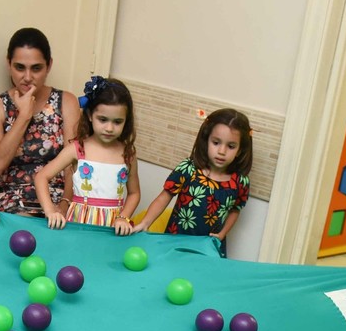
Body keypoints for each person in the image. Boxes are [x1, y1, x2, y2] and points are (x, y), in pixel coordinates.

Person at [0, 27, 82, 217]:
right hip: (13, 199)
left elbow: (74, 164)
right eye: (20, 67)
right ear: (9, 64)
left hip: (58, 196)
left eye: (36, 68)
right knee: (22, 230)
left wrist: (65, 204)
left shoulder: (66, 102)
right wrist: (24, 116)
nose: (27, 77)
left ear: (49, 65)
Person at [129, 108, 252, 258]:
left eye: (231, 146)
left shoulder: (241, 182)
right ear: (206, 140)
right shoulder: (188, 169)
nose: (222, 151)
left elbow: (235, 210)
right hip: (175, 244)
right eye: (216, 142)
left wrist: (221, 234)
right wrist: (145, 223)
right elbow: (164, 196)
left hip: (208, 249)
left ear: (240, 150)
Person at [34, 76, 140, 229]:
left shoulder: (128, 154)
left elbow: (134, 193)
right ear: (90, 115)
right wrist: (50, 210)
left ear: (126, 120)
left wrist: (124, 217)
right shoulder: (77, 149)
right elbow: (41, 177)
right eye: (103, 119)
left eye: (117, 122)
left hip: (111, 230)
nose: (109, 128)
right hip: (79, 226)